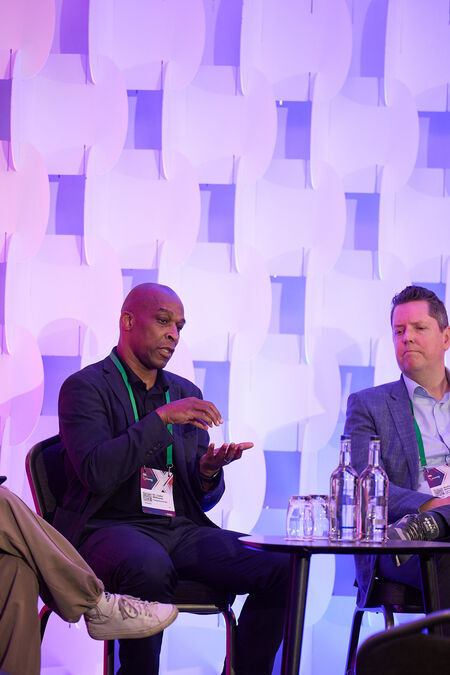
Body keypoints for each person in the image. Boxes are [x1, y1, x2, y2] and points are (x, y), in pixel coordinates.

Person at [55, 282, 289, 675]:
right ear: (128, 321)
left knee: (282, 566)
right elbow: (96, 472)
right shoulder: (85, 388)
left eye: (179, 326)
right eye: (163, 321)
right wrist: (160, 419)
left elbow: (200, 498)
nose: (173, 335)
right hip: (105, 527)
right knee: (149, 567)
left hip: (177, 529)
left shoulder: (183, 391)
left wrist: (208, 473)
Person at [0, 481, 178, 675]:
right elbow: (98, 477)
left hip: (175, 526)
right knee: (2, 501)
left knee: (17, 567)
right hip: (105, 528)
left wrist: (202, 477)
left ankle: (95, 605)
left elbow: (195, 495)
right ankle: (95, 605)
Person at [344, 284, 450, 608]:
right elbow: (362, 487)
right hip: (404, 544)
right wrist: (430, 505)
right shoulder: (369, 404)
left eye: (419, 328)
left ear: (446, 337)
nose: (407, 338)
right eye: (399, 331)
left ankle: (439, 520)